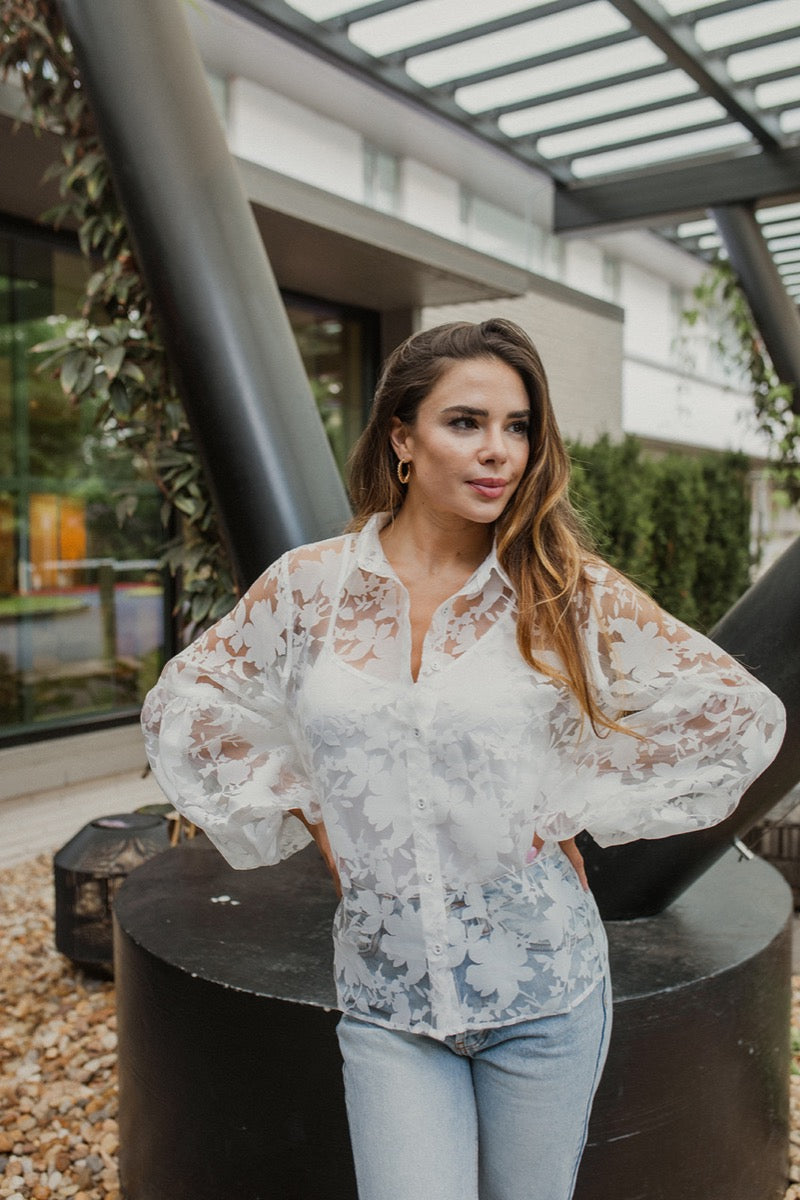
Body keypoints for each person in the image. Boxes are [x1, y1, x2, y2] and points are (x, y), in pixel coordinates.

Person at [141, 318, 785, 1200]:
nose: (499, 453)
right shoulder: (309, 588)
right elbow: (193, 701)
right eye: (466, 422)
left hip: (544, 988)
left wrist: (563, 799)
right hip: (389, 996)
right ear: (402, 437)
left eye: (518, 426)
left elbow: (731, 711)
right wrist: (311, 805)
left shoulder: (563, 588)